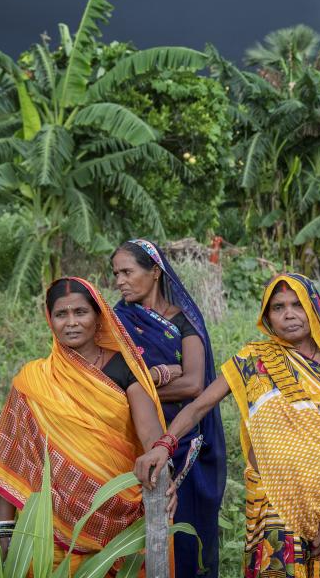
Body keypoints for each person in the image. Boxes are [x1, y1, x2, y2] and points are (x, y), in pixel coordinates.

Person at [135, 273, 320, 577]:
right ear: (267, 316)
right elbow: (199, 406)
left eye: (297, 304)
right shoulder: (253, 359)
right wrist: (164, 444)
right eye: (278, 307)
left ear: (314, 308)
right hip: (273, 503)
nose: (288, 314)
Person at [0, 277, 171, 571]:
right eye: (61, 314)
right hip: (47, 533)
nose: (71, 322)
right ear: (49, 320)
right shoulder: (33, 381)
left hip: (118, 528)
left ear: (98, 316)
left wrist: (164, 482)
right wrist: (5, 533)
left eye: (80, 312)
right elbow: (11, 460)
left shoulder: (125, 370)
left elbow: (153, 442)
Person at [112, 239, 227, 577]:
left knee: (185, 530)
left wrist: (140, 385)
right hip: (134, 440)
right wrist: (161, 375)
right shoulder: (116, 322)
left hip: (183, 442)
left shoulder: (184, 321)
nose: (120, 281)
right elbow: (110, 383)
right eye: (116, 273)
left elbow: (194, 384)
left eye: (127, 272)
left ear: (155, 272)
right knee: (138, 537)